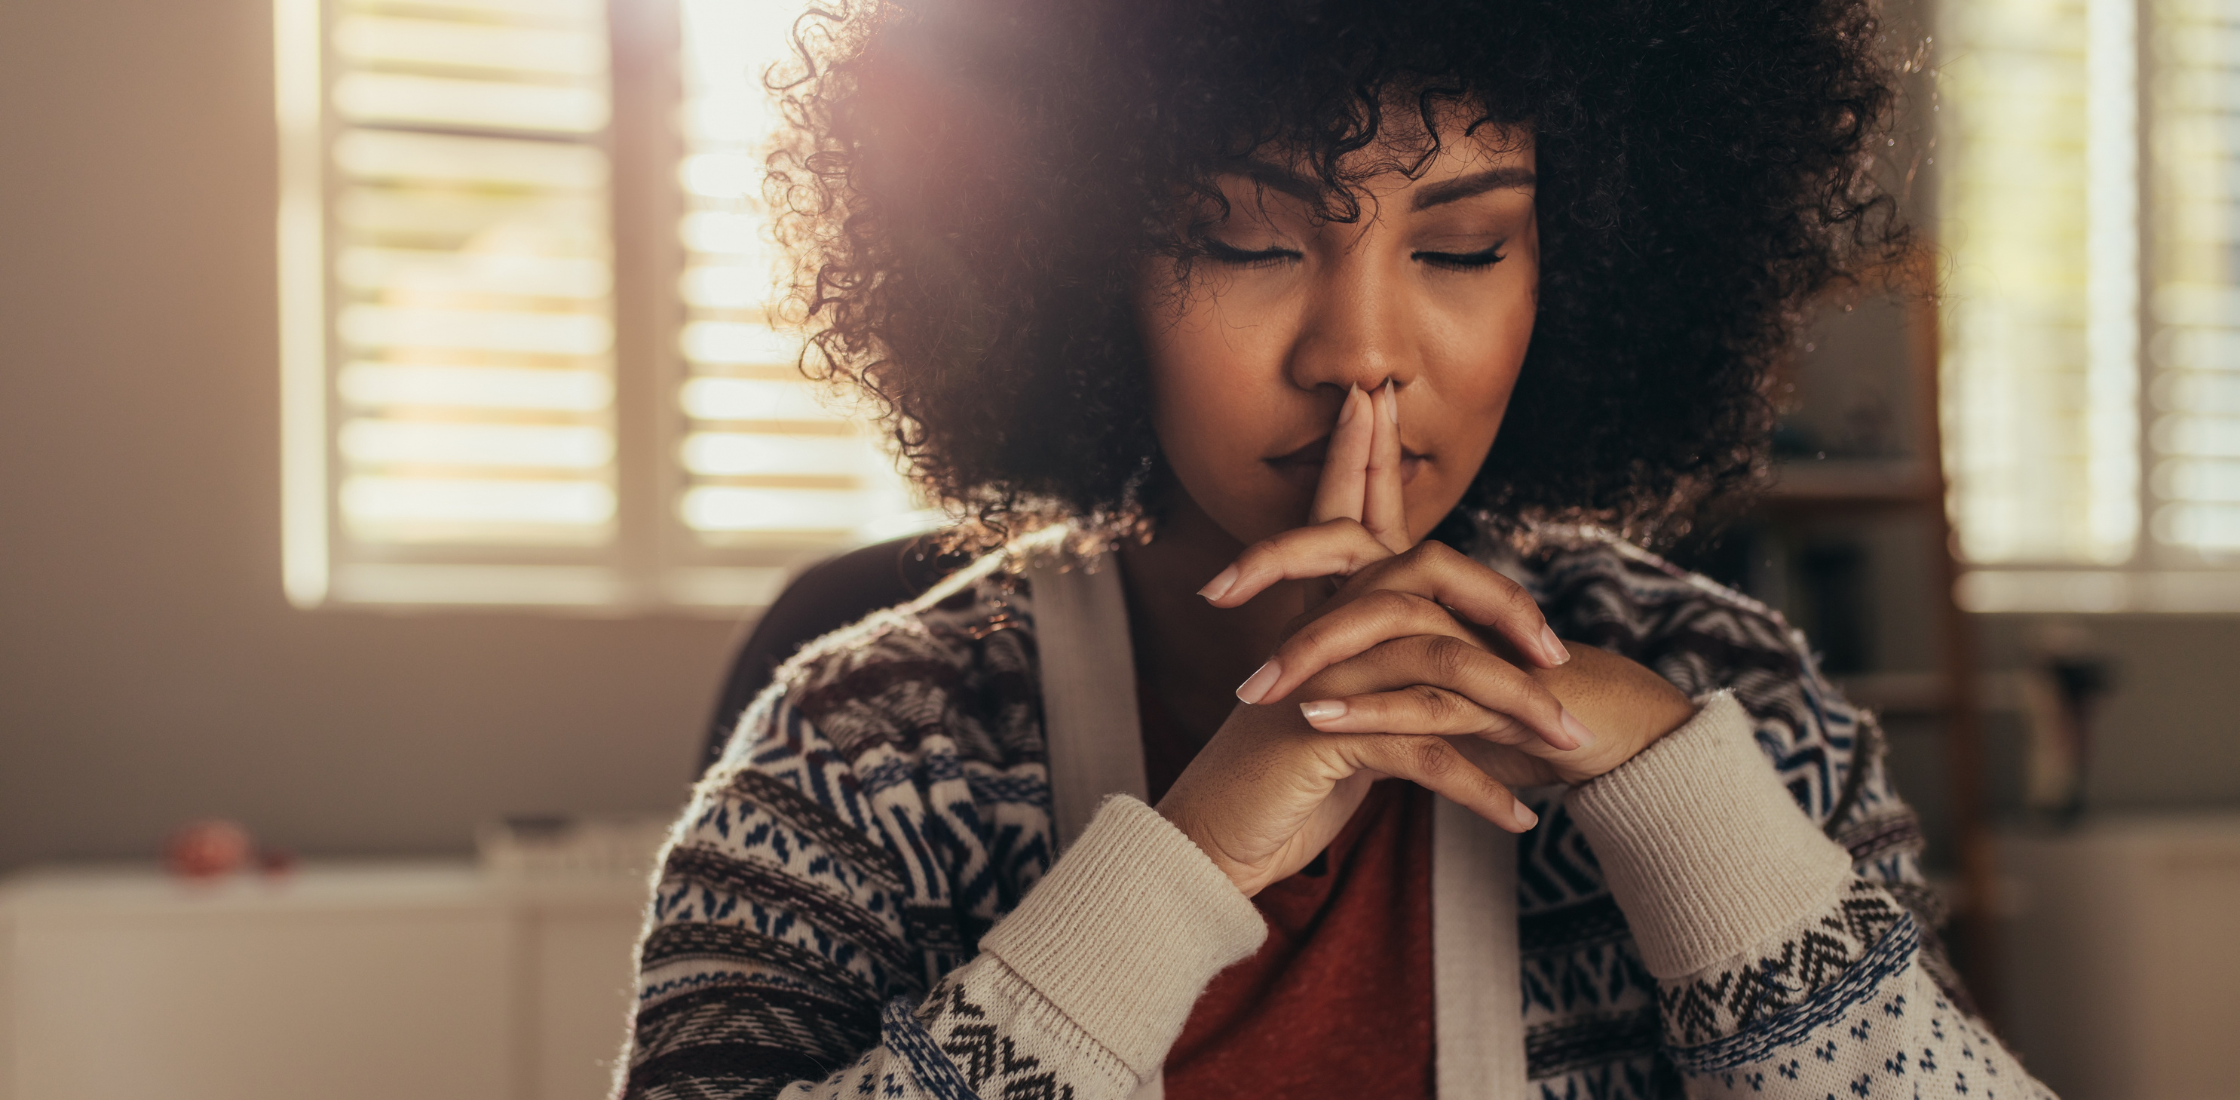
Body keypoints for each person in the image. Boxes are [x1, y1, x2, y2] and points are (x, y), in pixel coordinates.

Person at [619, 0, 2052, 1097]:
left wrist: (1689, 810)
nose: (1361, 354)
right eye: (1245, 244)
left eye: (1466, 248)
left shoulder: (1722, 692)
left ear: (1580, 275)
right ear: (1070, 266)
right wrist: (1182, 868)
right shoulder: (868, 752)